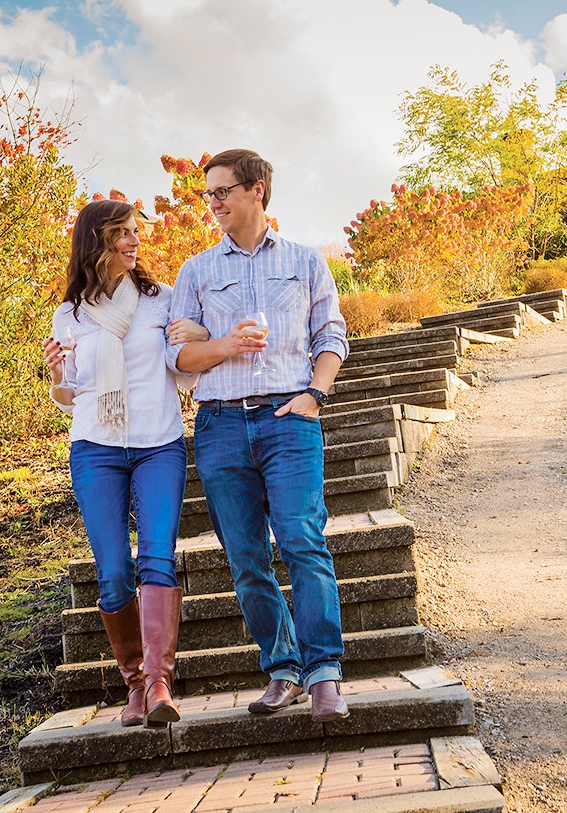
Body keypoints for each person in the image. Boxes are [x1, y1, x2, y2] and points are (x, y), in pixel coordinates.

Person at [166, 148, 351, 722]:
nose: (213, 203)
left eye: (222, 191)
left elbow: (332, 335)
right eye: (208, 194)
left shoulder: (304, 261)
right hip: (220, 425)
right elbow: (178, 357)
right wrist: (223, 342)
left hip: (287, 419)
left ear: (257, 192)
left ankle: (323, 674)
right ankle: (282, 669)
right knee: (246, 557)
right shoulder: (195, 271)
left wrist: (314, 395)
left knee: (301, 540)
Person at [41, 198, 208, 728]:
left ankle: (159, 685)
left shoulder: (161, 300)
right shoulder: (68, 314)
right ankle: (133, 685)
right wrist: (53, 378)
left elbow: (183, 361)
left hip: (159, 443)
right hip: (96, 448)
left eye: (137, 232)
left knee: (156, 559)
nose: (136, 241)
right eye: (124, 234)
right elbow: (71, 394)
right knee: (113, 574)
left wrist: (200, 337)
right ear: (98, 241)